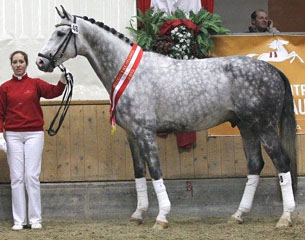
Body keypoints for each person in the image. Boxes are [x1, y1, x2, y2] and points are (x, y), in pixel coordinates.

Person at [0, 50, 67, 231]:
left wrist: (62, 81)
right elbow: (0, 113)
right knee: (17, 178)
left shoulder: (35, 84)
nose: (18, 64)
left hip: (34, 134)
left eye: (21, 61)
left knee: (31, 176)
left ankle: (35, 219)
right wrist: (0, 135)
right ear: (11, 65)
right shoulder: (4, 87)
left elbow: (53, 92)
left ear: (26, 63)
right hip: (13, 135)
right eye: (15, 62)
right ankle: (19, 220)